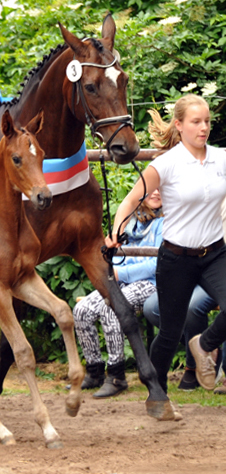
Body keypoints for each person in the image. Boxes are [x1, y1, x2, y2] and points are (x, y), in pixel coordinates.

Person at [106, 94, 226, 395]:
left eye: (207, 122)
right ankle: (156, 391)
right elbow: (131, 200)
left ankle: (204, 345)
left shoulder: (221, 159)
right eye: (196, 122)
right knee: (170, 333)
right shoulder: (166, 164)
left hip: (214, 254)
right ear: (179, 125)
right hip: (176, 259)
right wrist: (115, 232)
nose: (203, 128)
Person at [73, 189, 163, 398]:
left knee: (111, 309)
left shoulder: (166, 223)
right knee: (82, 310)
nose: (157, 193)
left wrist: (120, 272)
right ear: (142, 193)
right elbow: (118, 254)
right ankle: (94, 370)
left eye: (161, 189)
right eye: (152, 189)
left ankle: (116, 375)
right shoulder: (131, 221)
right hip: (123, 280)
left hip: (149, 283)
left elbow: (156, 264)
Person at [143, 286, 219, 390]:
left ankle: (193, 366)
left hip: (214, 278)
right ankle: (206, 348)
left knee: (192, 307)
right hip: (187, 278)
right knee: (152, 308)